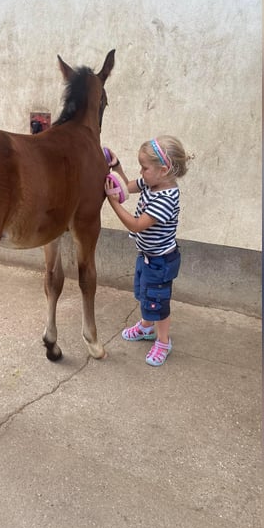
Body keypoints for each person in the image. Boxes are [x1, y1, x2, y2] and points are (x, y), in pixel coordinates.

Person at [104, 136, 191, 366]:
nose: (141, 173)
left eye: (144, 168)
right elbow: (127, 187)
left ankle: (163, 341)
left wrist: (113, 204)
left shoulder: (166, 198)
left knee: (159, 304)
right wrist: (117, 166)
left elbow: (136, 224)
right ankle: (146, 327)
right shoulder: (152, 182)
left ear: (163, 170)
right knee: (146, 296)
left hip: (161, 262)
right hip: (147, 256)